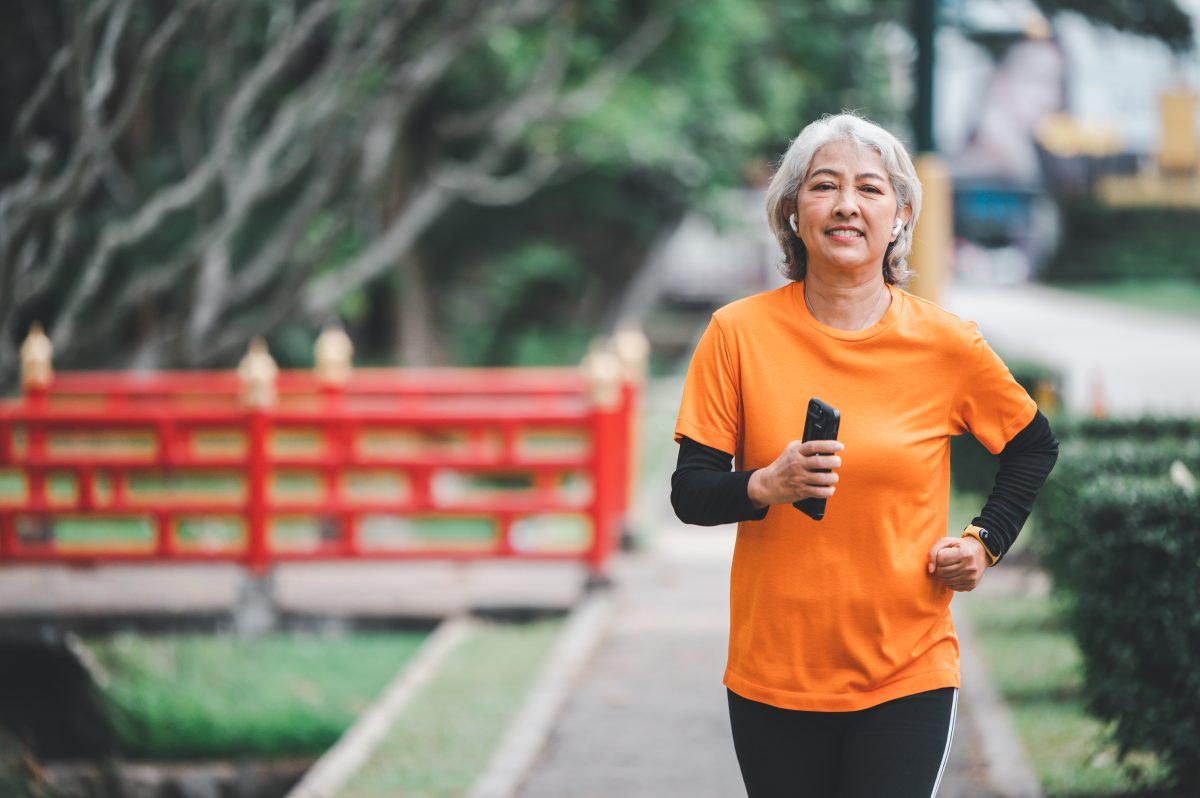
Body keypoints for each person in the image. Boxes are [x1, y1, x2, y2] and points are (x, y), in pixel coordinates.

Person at [671, 113, 1058, 798]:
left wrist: (984, 541)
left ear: (901, 214)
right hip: (774, 673)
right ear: (793, 212)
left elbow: (1031, 445)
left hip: (906, 669)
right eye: (824, 186)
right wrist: (765, 484)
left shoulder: (946, 344)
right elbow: (691, 492)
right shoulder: (737, 335)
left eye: (870, 189)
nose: (847, 204)